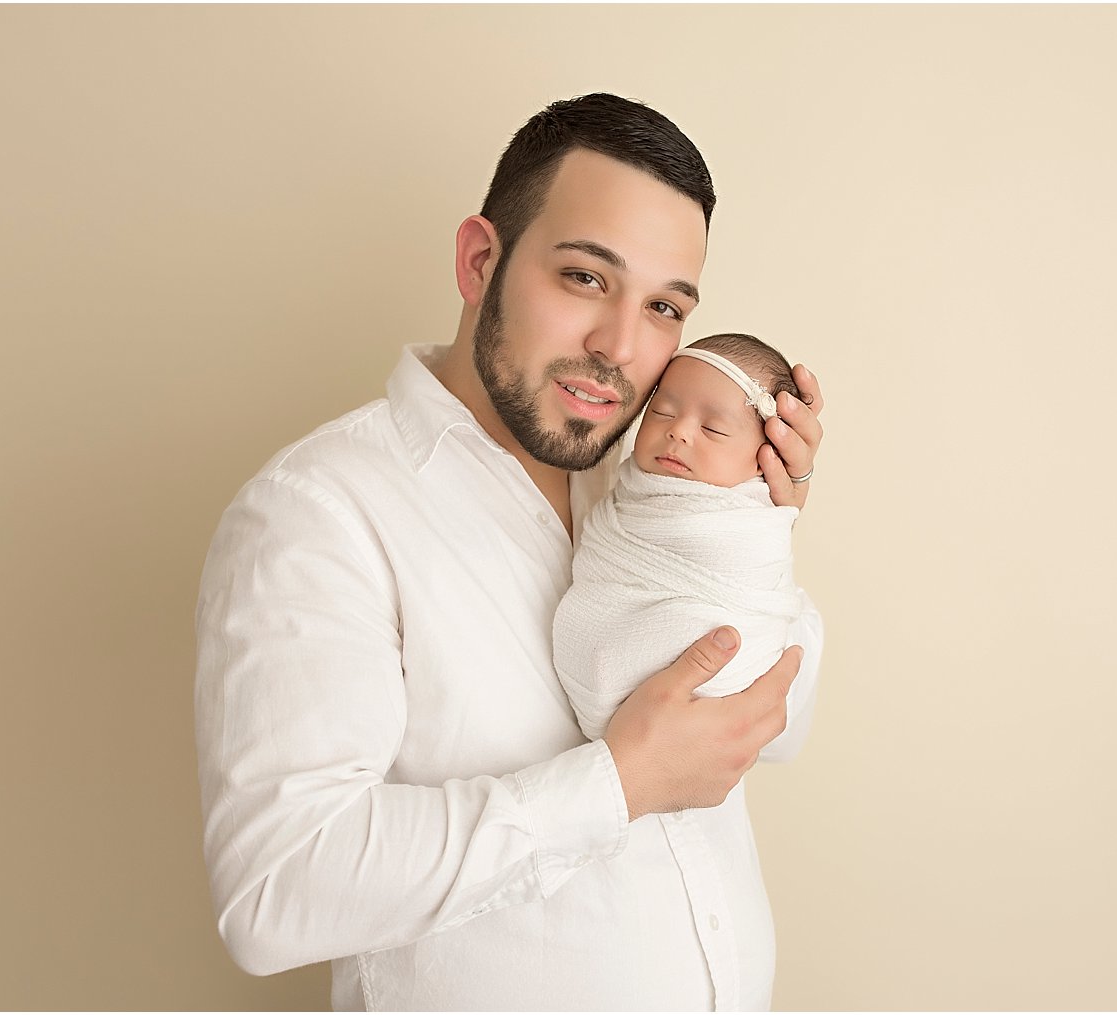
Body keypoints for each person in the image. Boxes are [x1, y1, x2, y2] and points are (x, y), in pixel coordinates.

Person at [194, 93, 826, 1011]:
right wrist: (617, 783)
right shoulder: (320, 513)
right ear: (479, 260)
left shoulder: (662, 486)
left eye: (662, 306)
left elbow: (781, 724)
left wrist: (758, 532)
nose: (620, 347)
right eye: (585, 278)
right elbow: (274, 890)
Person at [556, 333, 813, 742]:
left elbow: (781, 729)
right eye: (661, 412)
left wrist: (781, 516)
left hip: (713, 688)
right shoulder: (623, 486)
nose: (678, 432)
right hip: (602, 676)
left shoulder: (753, 526)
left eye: (713, 428)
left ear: (768, 457)